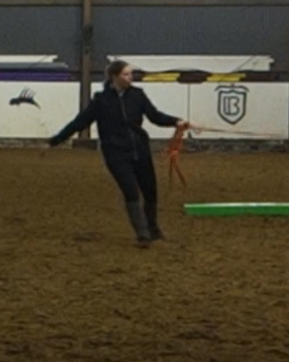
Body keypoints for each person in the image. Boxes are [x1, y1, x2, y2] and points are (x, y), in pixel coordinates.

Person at [47, 59, 189, 249]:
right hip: (116, 154)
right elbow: (79, 123)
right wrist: (56, 140)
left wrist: (176, 121)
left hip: (140, 150)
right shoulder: (101, 101)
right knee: (131, 191)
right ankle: (143, 234)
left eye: (131, 74)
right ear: (114, 76)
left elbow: (154, 116)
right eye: (126, 74)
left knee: (150, 192)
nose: (130, 77)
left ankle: (153, 229)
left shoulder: (138, 95)